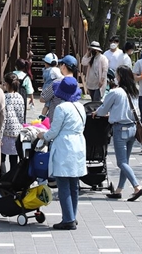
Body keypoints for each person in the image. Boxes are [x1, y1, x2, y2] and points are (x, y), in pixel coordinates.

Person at [37, 77, 86, 230]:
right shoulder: (80, 106)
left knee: (63, 182)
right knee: (73, 183)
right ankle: (72, 215)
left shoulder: (61, 108)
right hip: (78, 143)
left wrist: (42, 136)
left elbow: (54, 131)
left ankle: (68, 219)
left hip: (64, 144)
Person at [94, 66, 142, 202]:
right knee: (125, 162)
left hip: (120, 129)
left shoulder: (115, 92)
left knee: (121, 163)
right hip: (133, 128)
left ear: (120, 76)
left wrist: (96, 113)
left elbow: (103, 109)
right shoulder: (134, 91)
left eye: (116, 75)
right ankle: (119, 190)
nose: (115, 77)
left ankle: (137, 187)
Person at [40, 55, 78, 122]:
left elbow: (42, 98)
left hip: (55, 119)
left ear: (63, 66)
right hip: (70, 119)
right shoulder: (76, 84)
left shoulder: (57, 82)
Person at [1, 73, 25, 175]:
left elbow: (2, 116)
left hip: (5, 131)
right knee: (13, 159)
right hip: (17, 131)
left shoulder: (4, 97)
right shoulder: (20, 97)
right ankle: (12, 179)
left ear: (6, 84)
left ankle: (2, 178)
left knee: (1, 158)